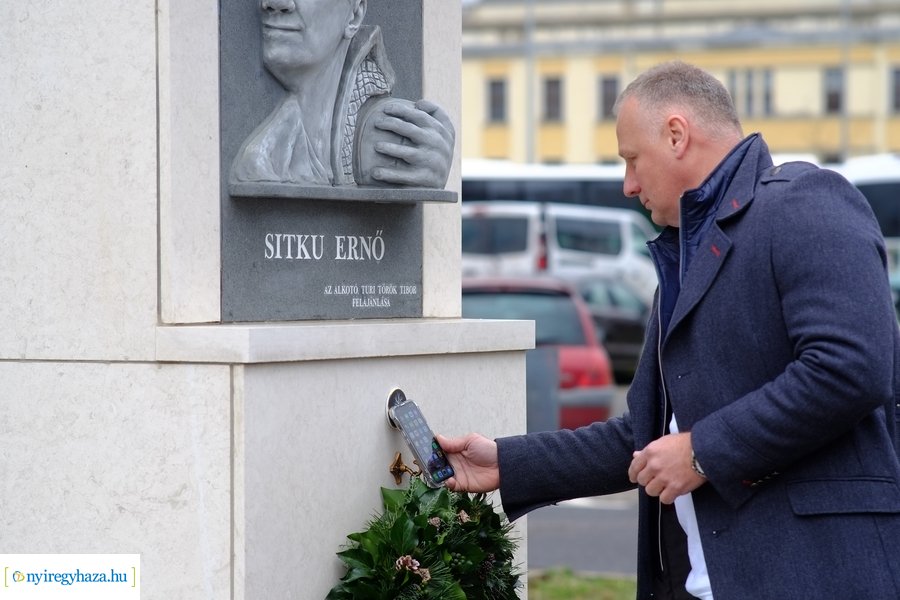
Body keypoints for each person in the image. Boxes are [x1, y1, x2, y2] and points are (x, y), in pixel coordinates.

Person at [438, 60, 900, 599]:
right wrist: (507, 463)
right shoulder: (688, 255)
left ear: (677, 135)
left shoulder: (806, 201)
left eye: (632, 159)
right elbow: (649, 439)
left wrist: (703, 452)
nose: (628, 185)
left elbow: (850, 368)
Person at [230, 0, 455, 191]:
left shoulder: (394, 137)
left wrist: (428, 166)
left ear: (354, 15)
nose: (274, 3)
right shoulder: (263, 154)